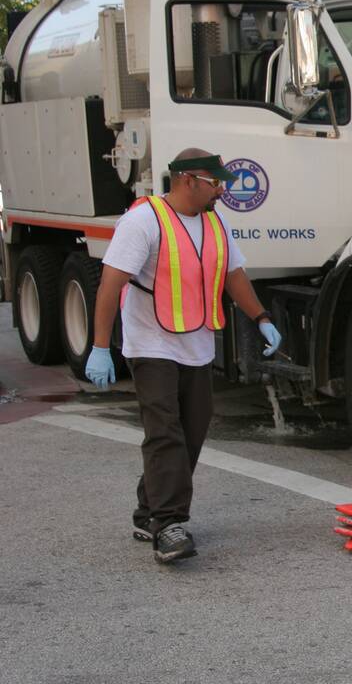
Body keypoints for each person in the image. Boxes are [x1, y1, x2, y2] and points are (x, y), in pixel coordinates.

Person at [85, 149, 283, 564]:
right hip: (150, 343)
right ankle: (168, 525)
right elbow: (110, 285)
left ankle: (147, 509)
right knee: (165, 431)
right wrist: (101, 346)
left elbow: (233, 274)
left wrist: (261, 316)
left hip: (196, 343)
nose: (222, 190)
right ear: (189, 180)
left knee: (192, 430)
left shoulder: (216, 221)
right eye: (216, 183)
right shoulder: (144, 221)